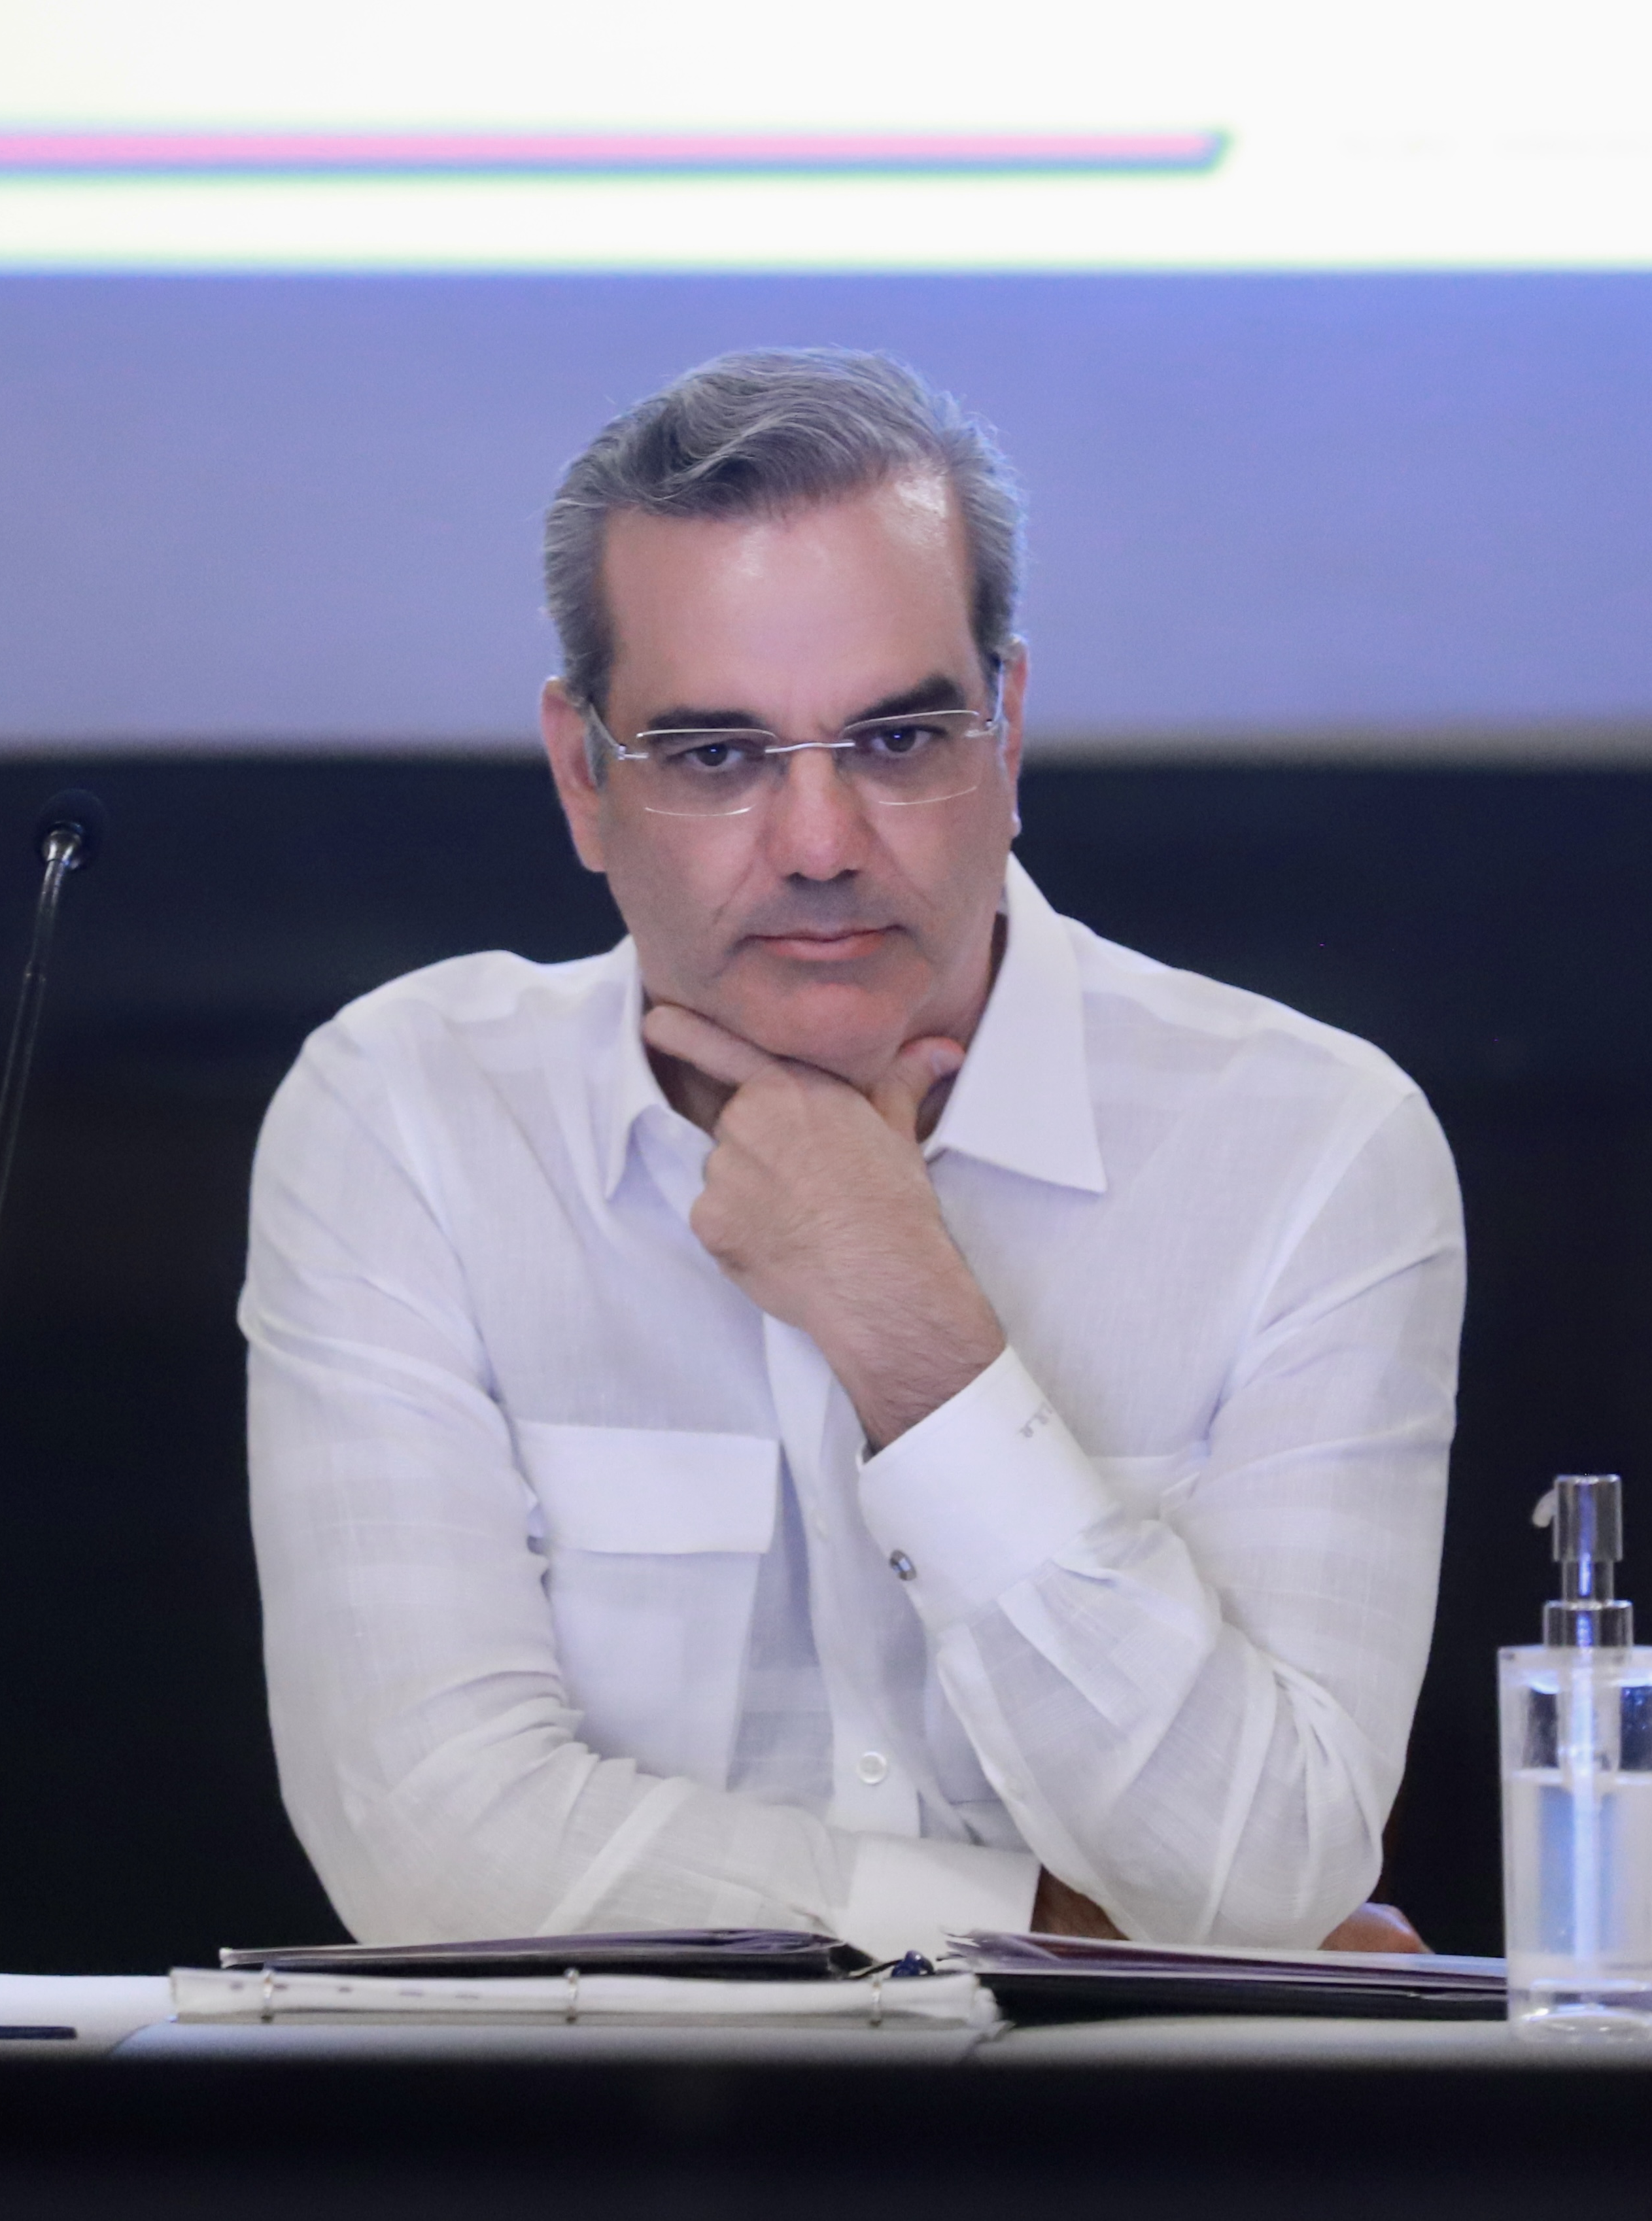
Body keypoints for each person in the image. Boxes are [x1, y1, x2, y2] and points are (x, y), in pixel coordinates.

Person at [241, 349, 1463, 1961]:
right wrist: (1044, 1930)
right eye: (716, 755)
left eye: (897, 739)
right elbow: (431, 1848)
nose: (819, 844)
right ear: (582, 777)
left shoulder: (1309, 1145)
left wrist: (913, 1332)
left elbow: (1269, 1872)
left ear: (1007, 736)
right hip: (603, 2121)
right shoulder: (413, 1115)